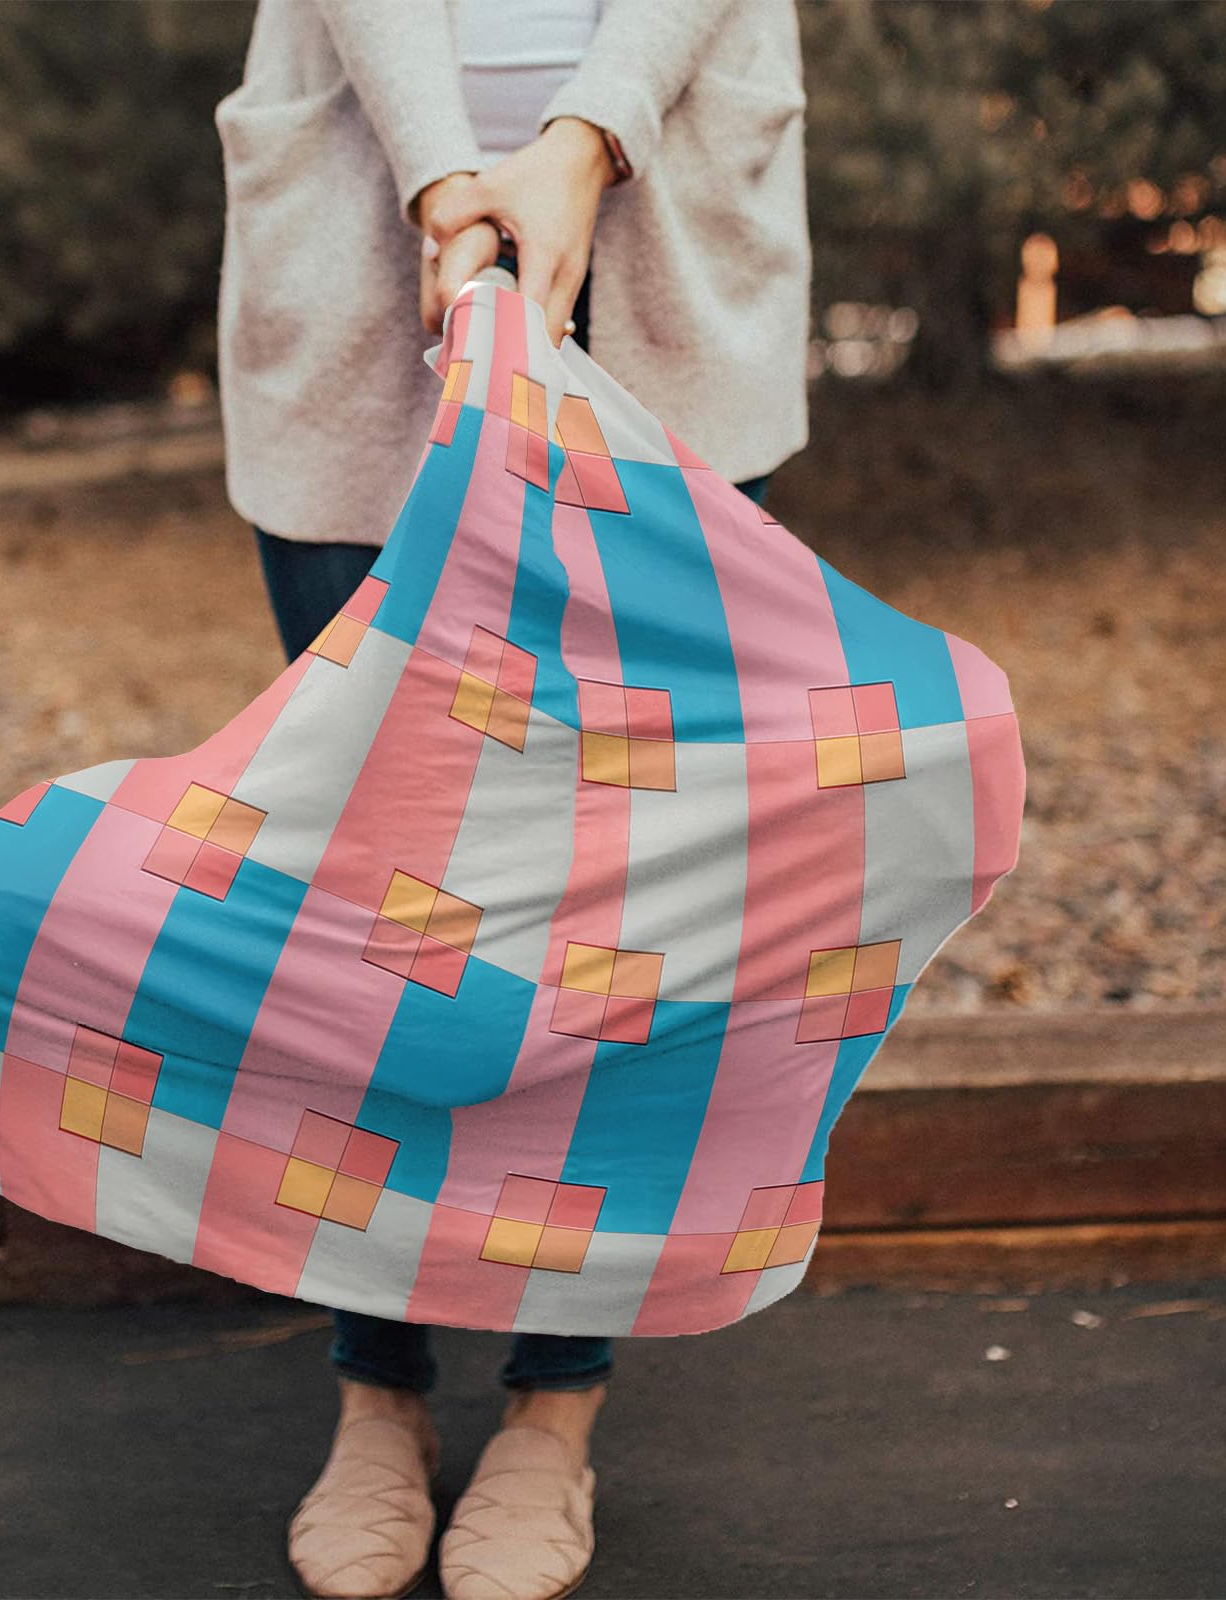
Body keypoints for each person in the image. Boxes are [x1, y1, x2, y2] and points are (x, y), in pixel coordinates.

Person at [213, 3, 810, 1595]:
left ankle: (556, 1406)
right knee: (367, 884)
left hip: (666, 231)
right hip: (364, 234)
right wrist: (442, 179)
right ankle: (377, 1387)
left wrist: (584, 137)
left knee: (630, 893)